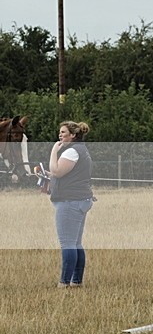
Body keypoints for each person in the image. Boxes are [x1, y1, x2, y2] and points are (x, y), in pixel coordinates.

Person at [48, 121, 94, 288]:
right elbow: (65, 174)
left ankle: (65, 282)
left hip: (70, 202)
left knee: (67, 243)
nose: (60, 135)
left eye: (63, 132)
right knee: (75, 243)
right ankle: (76, 281)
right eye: (60, 132)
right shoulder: (81, 150)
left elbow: (57, 171)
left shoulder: (71, 151)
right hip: (80, 200)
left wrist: (54, 151)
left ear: (73, 135)